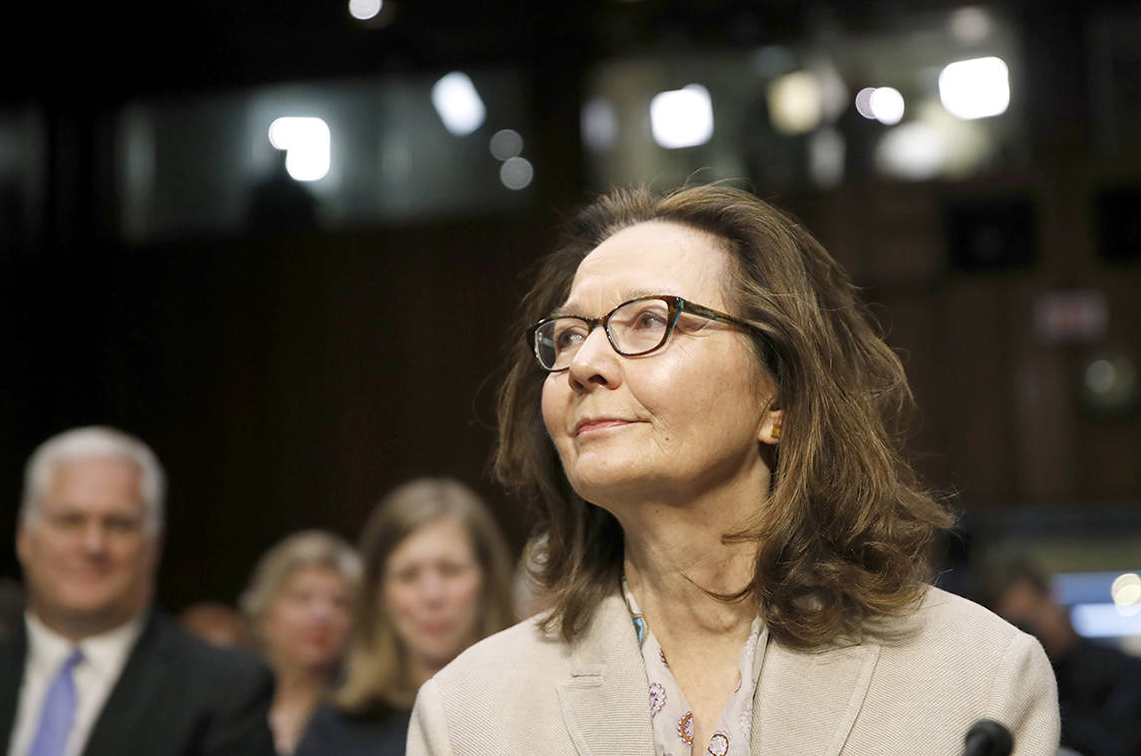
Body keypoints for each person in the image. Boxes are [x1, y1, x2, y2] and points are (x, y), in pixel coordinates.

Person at [408, 183, 1060, 755]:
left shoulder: (978, 675)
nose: (582, 365)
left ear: (777, 394)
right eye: (570, 334)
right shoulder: (468, 711)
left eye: (647, 320)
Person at [0, 425, 275, 756]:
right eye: (69, 521)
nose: (93, 545)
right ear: (25, 537)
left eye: (119, 524)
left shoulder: (224, 691)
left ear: (154, 545)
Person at [295, 480, 514, 756]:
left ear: (489, 579)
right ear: (378, 592)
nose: (432, 595)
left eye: (450, 570)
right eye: (407, 575)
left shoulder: (533, 708)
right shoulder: (335, 726)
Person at [980, 557, 1141, 756]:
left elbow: (1123, 747)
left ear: (1050, 599)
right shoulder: (1002, 687)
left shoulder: (1130, 674)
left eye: (1027, 620)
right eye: (1013, 627)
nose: (1022, 637)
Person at [241, 531, 359, 754]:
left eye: (339, 603)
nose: (322, 615)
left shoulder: (366, 717)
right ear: (264, 613)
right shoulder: (232, 704)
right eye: (302, 598)